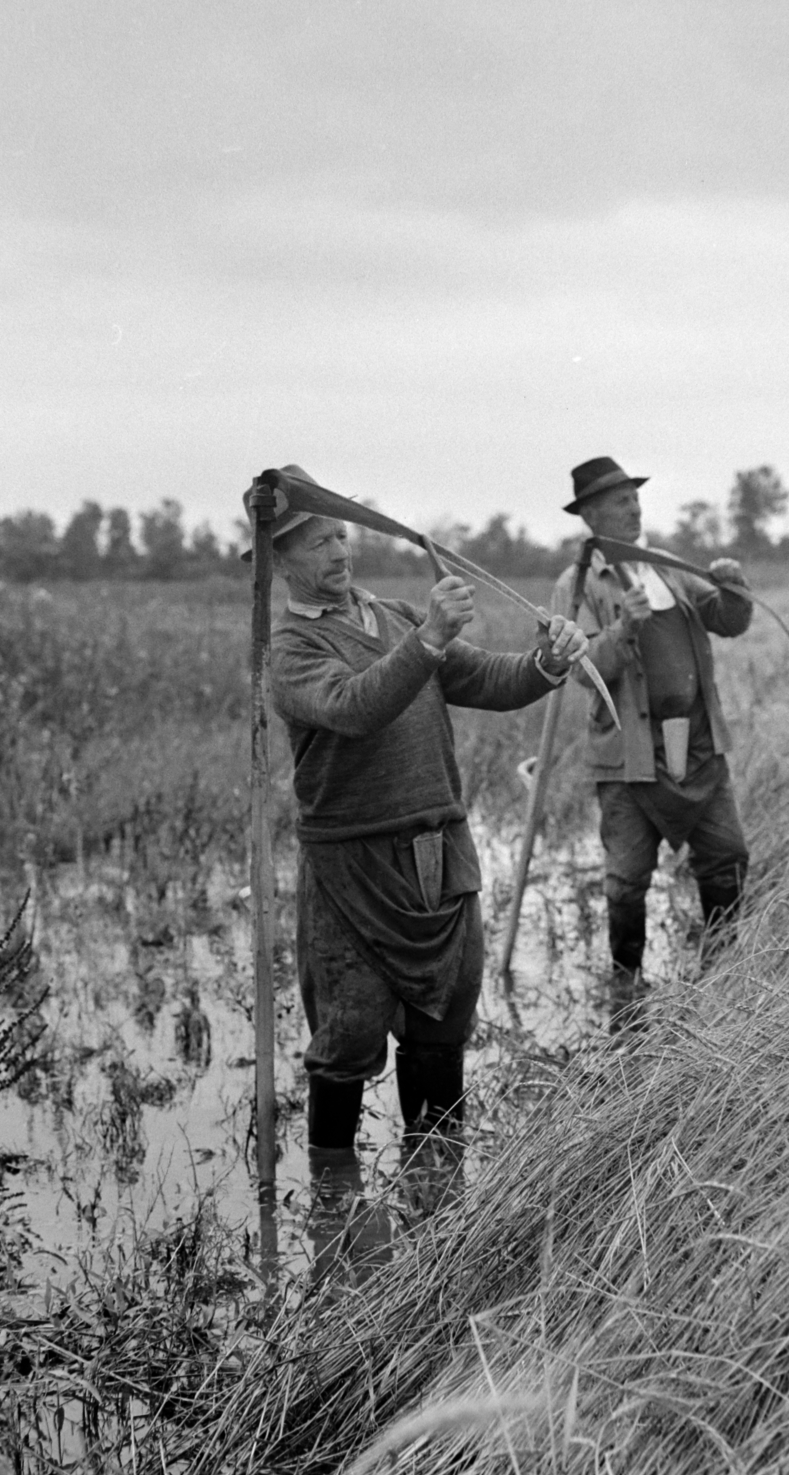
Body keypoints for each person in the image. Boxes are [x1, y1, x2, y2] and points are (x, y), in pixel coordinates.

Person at [244, 467, 589, 1278]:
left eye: (338, 535)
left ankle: (437, 1224)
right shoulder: (289, 650)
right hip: (351, 867)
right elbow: (359, 704)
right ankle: (335, 1219)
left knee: (441, 1032)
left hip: (440, 858)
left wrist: (546, 661)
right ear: (283, 560)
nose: (336, 550)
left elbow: (491, 682)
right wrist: (427, 638)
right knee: (349, 1038)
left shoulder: (393, 615)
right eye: (316, 542)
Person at [551, 457, 753, 1027]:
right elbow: (581, 667)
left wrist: (734, 588)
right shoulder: (577, 585)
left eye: (634, 498)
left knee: (727, 857)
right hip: (629, 756)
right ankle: (627, 994)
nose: (633, 507)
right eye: (619, 501)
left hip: (697, 746)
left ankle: (722, 973)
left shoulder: (667, 568)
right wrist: (625, 627)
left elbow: (726, 619)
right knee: (627, 879)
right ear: (591, 515)